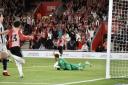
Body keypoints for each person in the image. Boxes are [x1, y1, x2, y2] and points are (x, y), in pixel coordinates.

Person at [0, 12, 10, 76]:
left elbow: (2, 34)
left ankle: (5, 71)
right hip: (0, 43)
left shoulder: (1, 24)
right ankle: (5, 71)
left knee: (5, 57)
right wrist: (6, 31)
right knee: (4, 57)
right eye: (2, 16)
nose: (3, 18)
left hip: (3, 43)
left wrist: (5, 39)